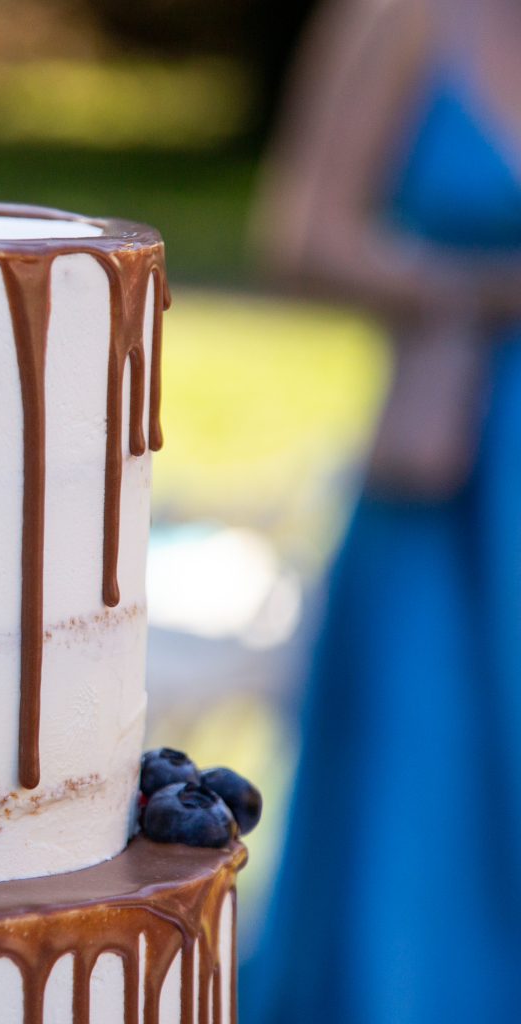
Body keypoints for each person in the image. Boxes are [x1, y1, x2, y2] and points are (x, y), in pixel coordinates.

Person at [246, 0, 521, 1019]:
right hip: (456, 458)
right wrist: (474, 288)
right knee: (423, 768)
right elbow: (303, 231)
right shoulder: (402, 17)